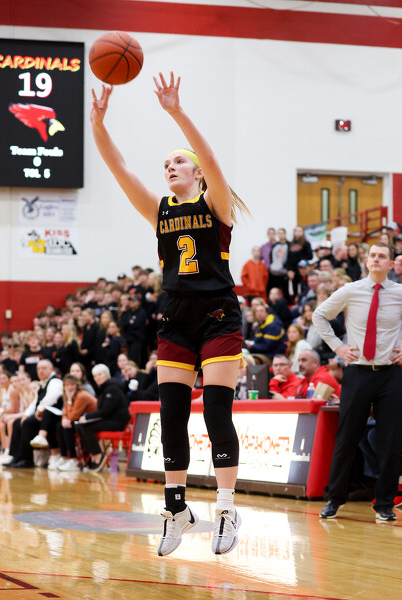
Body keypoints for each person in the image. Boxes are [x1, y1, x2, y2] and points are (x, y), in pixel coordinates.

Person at [91, 72, 248, 556]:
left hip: (218, 313)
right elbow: (119, 168)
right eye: (165, 163)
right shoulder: (160, 211)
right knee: (172, 415)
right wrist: (98, 123)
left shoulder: (215, 203)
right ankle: (177, 509)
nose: (169, 167)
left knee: (216, 411)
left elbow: (213, 160)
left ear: (196, 172)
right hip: (175, 316)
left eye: (178, 160)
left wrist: (176, 111)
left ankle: (226, 509)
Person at [313, 242, 402, 521]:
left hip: (390, 374)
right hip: (357, 372)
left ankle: (384, 504)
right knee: (346, 438)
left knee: (390, 441)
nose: (376, 259)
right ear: (367, 261)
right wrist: (338, 347)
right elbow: (319, 315)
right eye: (373, 256)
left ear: (391, 264)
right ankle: (334, 499)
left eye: (382, 256)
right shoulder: (350, 290)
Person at [76, 364, 129, 470]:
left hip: (118, 422)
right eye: (95, 376)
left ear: (107, 375)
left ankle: (98, 455)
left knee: (86, 427)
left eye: (100, 374)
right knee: (79, 426)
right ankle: (92, 454)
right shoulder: (104, 389)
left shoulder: (112, 388)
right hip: (109, 419)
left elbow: (106, 411)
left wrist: (87, 417)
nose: (97, 378)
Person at [56, 374, 98, 472]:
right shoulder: (69, 396)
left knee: (67, 428)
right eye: (67, 385)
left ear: (77, 385)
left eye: (72, 384)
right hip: (81, 422)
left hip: (92, 422)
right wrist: (64, 419)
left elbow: (73, 416)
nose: (69, 387)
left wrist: (69, 401)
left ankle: (73, 460)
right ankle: (64, 457)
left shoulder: (81, 395)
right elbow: (65, 413)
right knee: (60, 426)